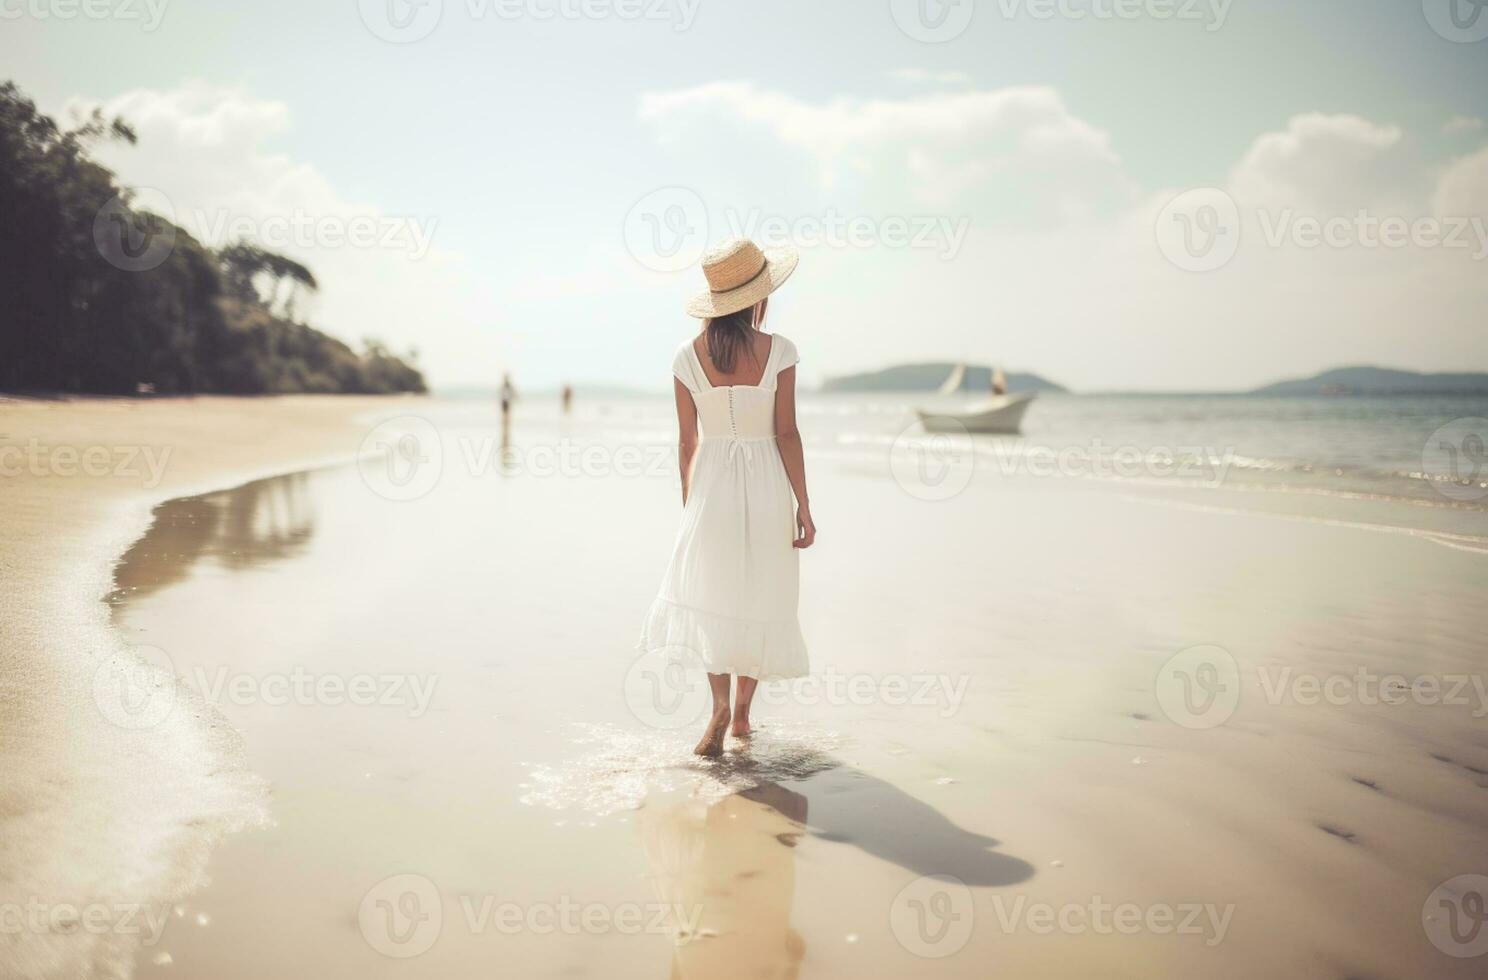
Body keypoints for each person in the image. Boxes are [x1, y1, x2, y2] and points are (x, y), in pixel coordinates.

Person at [636, 238, 815, 757]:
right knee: (761, 593)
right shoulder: (779, 350)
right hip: (764, 484)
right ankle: (740, 716)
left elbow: (687, 441)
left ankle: (715, 705)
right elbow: (787, 433)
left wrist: (692, 502)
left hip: (710, 482)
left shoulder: (684, 357)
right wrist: (803, 503)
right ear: (758, 296)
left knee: (715, 594)